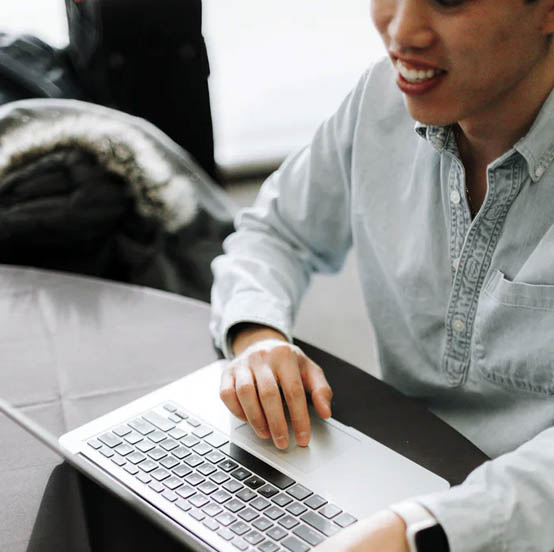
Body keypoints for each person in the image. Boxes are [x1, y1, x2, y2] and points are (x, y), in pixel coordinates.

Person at [210, 0, 554, 550]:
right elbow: (274, 232)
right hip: (396, 474)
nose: (401, 31)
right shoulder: (380, 101)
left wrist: (416, 531)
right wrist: (257, 338)